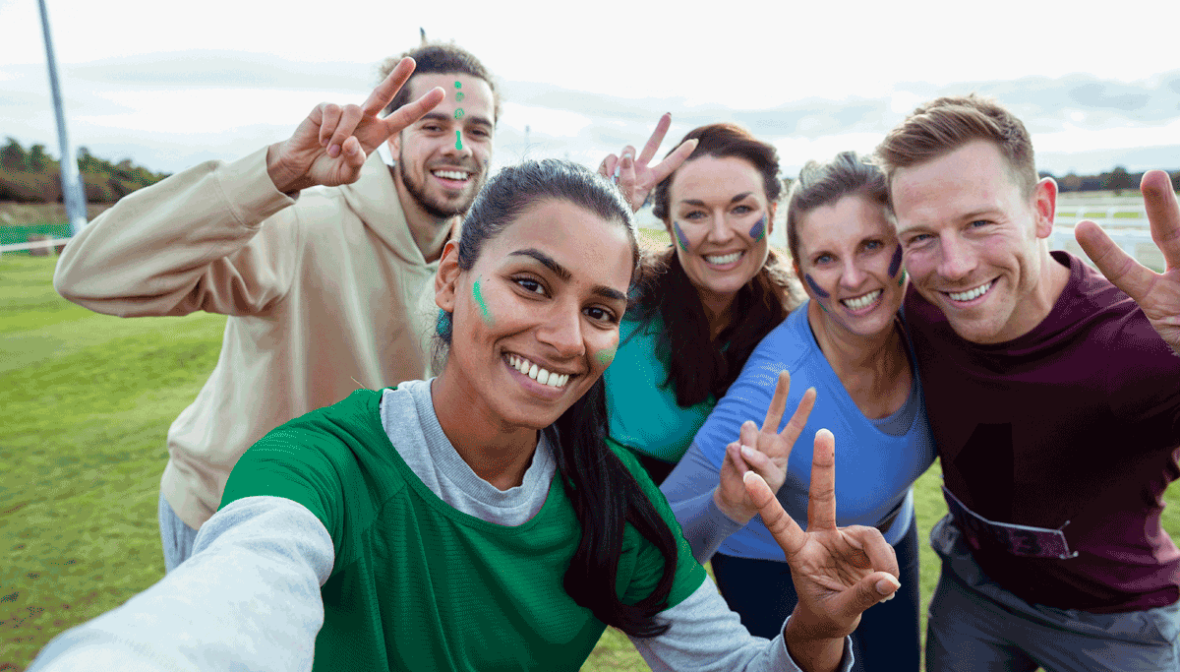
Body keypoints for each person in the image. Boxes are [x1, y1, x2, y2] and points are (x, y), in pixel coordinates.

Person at [27, 159, 903, 672]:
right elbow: (226, 607)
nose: (564, 337)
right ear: (451, 278)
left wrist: (812, 632)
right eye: (530, 284)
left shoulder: (612, 501)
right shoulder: (321, 465)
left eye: (600, 311)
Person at [52, 43, 499, 572]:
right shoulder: (304, 222)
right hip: (231, 519)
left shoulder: (477, 262)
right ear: (394, 140)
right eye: (432, 125)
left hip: (352, 531)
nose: (459, 147)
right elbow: (90, 273)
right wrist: (276, 175)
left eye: (477, 130)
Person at [876, 94, 1180, 671]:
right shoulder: (921, 309)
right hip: (975, 589)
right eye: (920, 237)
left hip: (1116, 620)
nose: (955, 264)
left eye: (980, 223)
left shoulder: (1143, 344)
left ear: (1041, 210)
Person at [661, 152, 936, 671]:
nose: (853, 278)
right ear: (801, 271)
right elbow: (655, 547)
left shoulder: (928, 321)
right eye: (826, 259)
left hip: (890, 540)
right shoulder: (775, 388)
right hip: (778, 576)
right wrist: (725, 504)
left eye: (872, 246)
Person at [599, 121, 804, 483]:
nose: (721, 234)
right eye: (695, 214)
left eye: (741, 209)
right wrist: (603, 216)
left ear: (771, 215)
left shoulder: (797, 324)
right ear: (666, 222)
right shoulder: (623, 307)